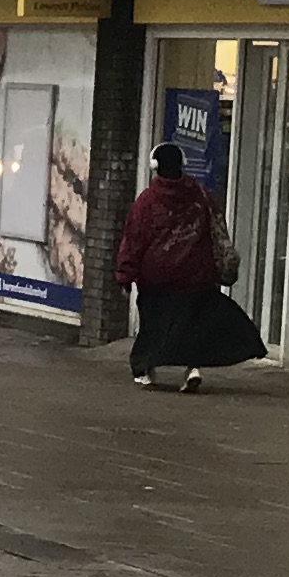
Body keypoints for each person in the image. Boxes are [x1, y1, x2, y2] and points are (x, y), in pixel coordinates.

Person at [113, 139, 265, 392]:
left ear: (155, 166)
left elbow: (135, 239)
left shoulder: (148, 200)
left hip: (157, 277)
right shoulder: (200, 194)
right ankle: (192, 368)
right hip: (196, 275)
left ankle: (145, 369)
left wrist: (125, 275)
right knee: (193, 326)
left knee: (154, 325)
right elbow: (216, 228)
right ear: (182, 164)